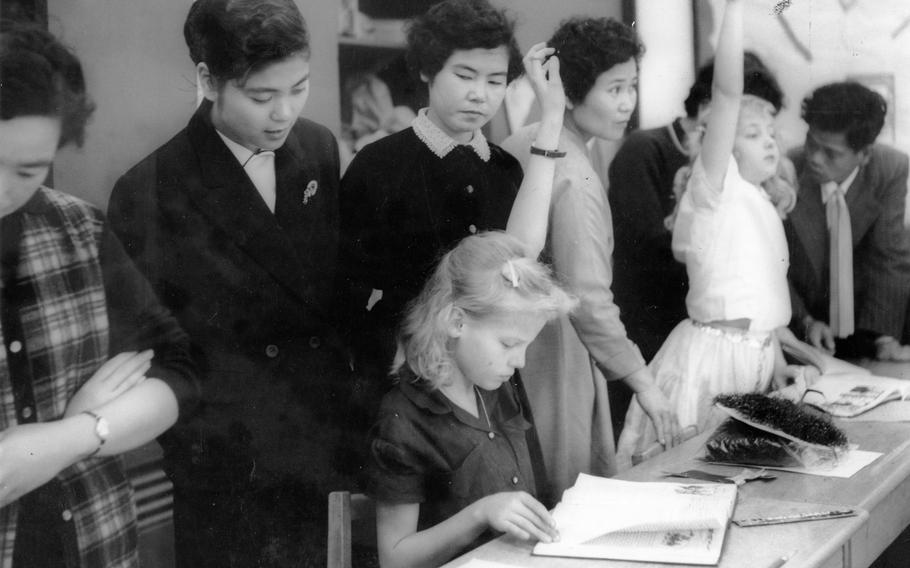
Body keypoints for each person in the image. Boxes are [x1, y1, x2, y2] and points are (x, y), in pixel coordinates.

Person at [106, 1, 353, 565]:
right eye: (262, 97)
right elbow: (153, 355)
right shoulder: (150, 188)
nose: (283, 113)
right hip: (225, 468)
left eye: (299, 88)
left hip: (318, 440)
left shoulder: (317, 148)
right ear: (207, 80)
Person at [0, 21, 198, 566]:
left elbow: (176, 369)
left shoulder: (78, 230)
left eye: (27, 170)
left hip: (95, 543)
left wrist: (70, 436)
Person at [337, 0, 564, 409]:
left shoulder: (505, 169)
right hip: (405, 380)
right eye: (464, 75)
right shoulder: (378, 166)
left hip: (492, 385)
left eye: (495, 81)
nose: (479, 95)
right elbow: (346, 292)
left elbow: (522, 265)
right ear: (427, 70)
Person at [500, 16, 678, 497]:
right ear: (574, 92)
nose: (627, 103)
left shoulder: (528, 138)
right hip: (553, 354)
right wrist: (644, 382)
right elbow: (589, 297)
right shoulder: (574, 172)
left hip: (508, 345)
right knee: (564, 495)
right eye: (614, 89)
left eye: (632, 87)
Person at [615, 0, 796, 469]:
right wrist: (734, 11)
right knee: (692, 476)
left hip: (755, 357)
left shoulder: (758, 200)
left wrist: (774, 356)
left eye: (771, 132)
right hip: (712, 362)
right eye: (753, 134)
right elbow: (728, 93)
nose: (771, 141)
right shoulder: (717, 190)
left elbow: (759, 301)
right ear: (721, 146)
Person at [367, 231, 575, 568]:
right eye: (509, 344)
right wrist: (480, 514)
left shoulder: (496, 384)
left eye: (527, 346)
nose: (520, 361)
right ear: (456, 322)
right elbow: (395, 559)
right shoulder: (401, 421)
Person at [785, 81, 910, 362]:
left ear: (865, 154)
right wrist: (804, 321)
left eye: (830, 153)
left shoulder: (891, 169)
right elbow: (772, 263)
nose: (815, 158)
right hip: (802, 323)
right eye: (811, 143)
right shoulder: (786, 169)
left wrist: (884, 337)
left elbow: (888, 256)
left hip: (864, 318)